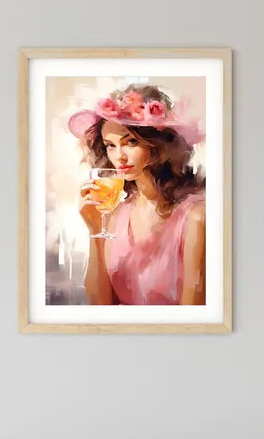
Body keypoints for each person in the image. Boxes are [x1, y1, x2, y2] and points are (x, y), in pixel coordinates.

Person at [70, 84, 206, 305]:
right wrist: (95, 230)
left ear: (158, 145)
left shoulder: (195, 215)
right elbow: (99, 306)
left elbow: (195, 315)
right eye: (110, 146)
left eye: (131, 142)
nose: (119, 156)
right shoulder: (116, 216)